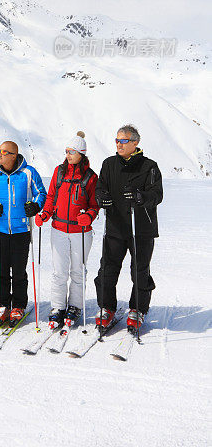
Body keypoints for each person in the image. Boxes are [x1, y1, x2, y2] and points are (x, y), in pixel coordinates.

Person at [94, 124, 163, 330]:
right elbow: (101, 187)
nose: (119, 144)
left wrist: (142, 197)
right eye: (117, 140)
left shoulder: (149, 166)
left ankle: (138, 309)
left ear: (135, 143)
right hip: (115, 226)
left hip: (140, 228)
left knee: (139, 271)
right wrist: (101, 197)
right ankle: (107, 308)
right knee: (107, 269)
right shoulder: (109, 164)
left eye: (123, 140)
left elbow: (157, 194)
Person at [35, 131, 99, 329]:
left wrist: (88, 215)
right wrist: (45, 213)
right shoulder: (59, 172)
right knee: (59, 272)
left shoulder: (90, 176)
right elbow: (51, 196)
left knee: (78, 271)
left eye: (72, 152)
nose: (68, 155)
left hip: (81, 231)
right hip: (59, 228)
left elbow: (94, 205)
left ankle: (75, 306)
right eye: (66, 151)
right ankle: (58, 307)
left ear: (81, 153)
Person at [0, 140, 46, 325]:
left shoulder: (28, 173)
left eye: (4, 152)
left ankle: (18, 305)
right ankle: (2, 305)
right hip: (1, 230)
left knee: (19, 270)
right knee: (1, 269)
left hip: (21, 230)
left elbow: (41, 193)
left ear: (13, 155)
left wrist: (35, 206)